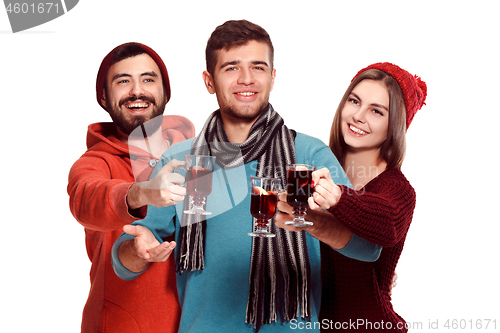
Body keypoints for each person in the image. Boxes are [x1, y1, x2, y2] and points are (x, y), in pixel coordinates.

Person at [111, 20, 382, 332]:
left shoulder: (309, 154)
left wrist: (315, 222)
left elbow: (367, 247)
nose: (246, 79)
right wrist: (140, 252)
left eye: (258, 67)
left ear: (272, 77)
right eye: (231, 68)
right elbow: (125, 261)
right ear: (209, 80)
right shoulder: (179, 160)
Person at [275, 62, 426, 332]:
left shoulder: (397, 187)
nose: (358, 115)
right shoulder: (316, 168)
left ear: (395, 126)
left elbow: (386, 222)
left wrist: (337, 198)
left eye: (376, 111)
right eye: (354, 101)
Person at [67, 42, 195, 333]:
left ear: (165, 92)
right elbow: (88, 197)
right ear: (104, 96)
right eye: (123, 81)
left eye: (148, 79)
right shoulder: (95, 163)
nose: (137, 91)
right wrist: (141, 193)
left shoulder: (195, 158)